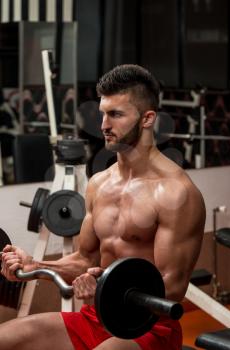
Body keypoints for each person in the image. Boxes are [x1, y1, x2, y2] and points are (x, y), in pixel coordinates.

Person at [0, 64, 206, 350]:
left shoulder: (176, 193)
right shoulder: (99, 184)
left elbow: (171, 288)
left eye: (116, 115)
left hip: (147, 327)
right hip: (96, 318)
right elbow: (85, 259)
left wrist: (107, 287)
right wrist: (35, 265)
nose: (104, 126)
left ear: (147, 118)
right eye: (103, 114)